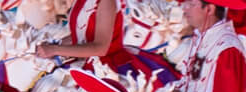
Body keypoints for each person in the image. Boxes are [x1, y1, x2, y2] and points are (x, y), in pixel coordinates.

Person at [37, 0, 180, 82]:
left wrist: (55, 50)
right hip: (85, 61)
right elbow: (82, 35)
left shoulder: (107, 2)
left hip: (105, 68)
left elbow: (100, 48)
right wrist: (54, 46)